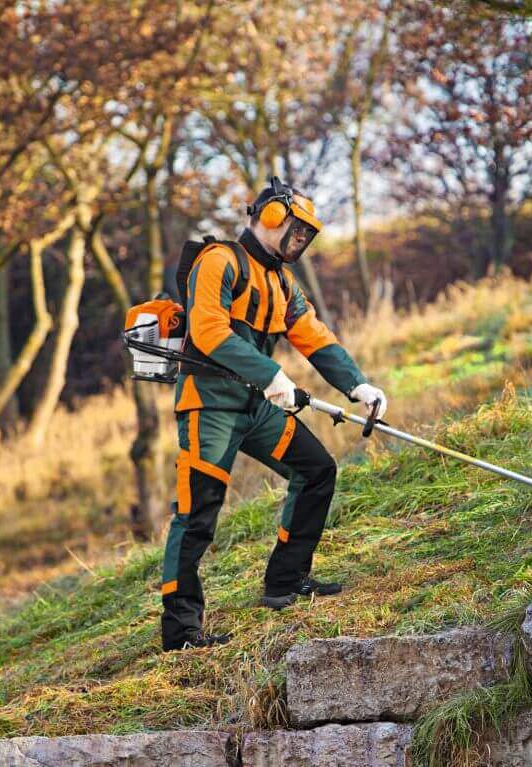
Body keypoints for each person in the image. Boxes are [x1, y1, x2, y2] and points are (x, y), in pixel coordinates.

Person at [160, 177, 388, 651]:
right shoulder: (218, 262)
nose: (299, 242)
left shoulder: (283, 284)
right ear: (270, 217)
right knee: (198, 511)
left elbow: (314, 336)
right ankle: (181, 630)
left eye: (307, 237)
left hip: (256, 407)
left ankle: (285, 582)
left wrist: (357, 385)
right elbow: (207, 333)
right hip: (211, 404)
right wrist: (271, 375)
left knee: (316, 469)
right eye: (296, 231)